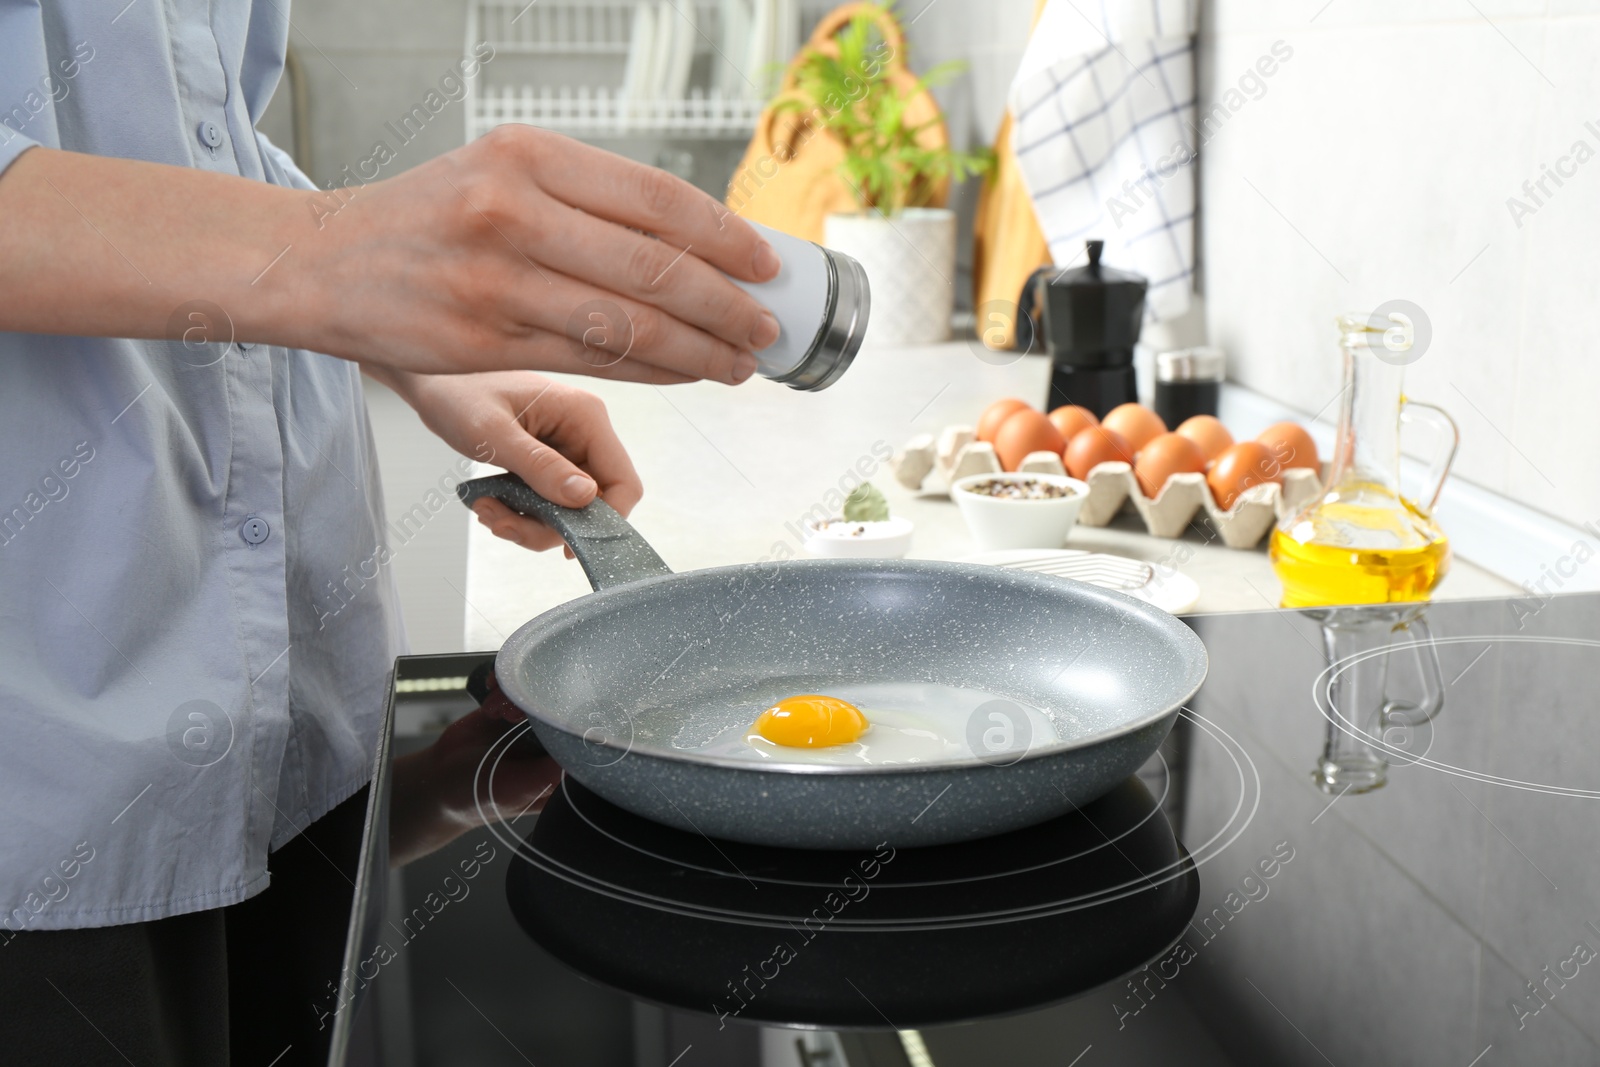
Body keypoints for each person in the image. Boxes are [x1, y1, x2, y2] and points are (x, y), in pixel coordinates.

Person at [0, 3, 784, 1063]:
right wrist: (335, 258)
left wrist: (421, 347)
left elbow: (190, 129)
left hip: (304, 738)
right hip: (44, 792)